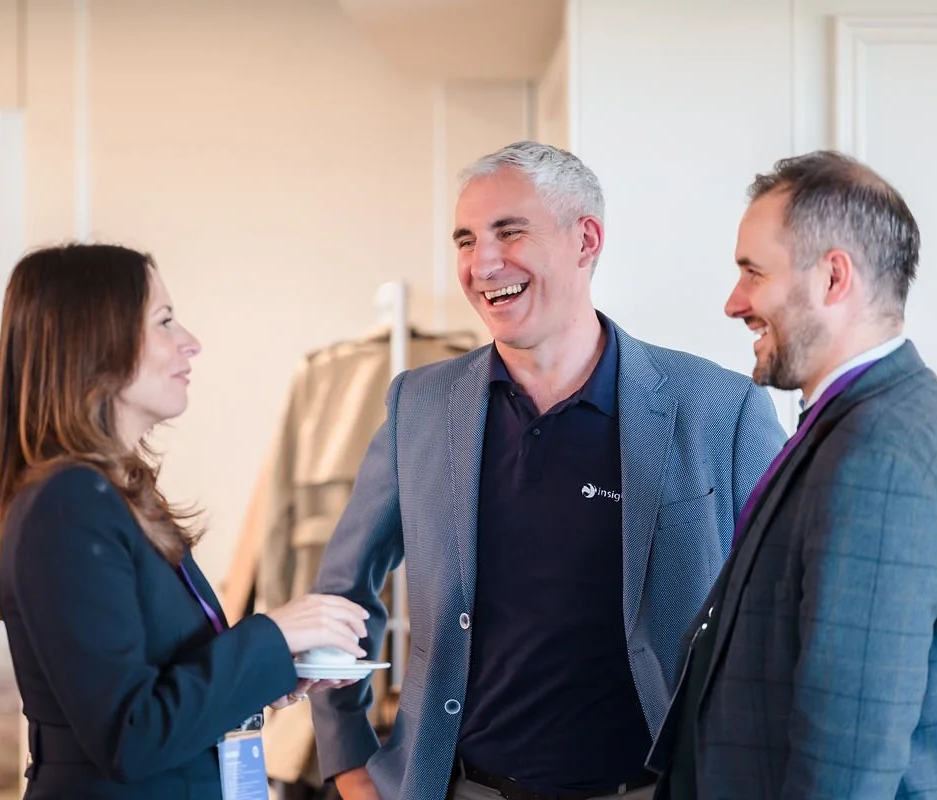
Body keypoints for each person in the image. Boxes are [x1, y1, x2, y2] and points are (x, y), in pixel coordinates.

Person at [309, 141, 787, 800]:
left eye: (510, 233)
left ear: (585, 240)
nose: (482, 264)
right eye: (466, 240)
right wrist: (347, 760)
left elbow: (785, 615)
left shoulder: (721, 410)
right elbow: (341, 597)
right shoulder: (417, 406)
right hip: (464, 790)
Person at [0, 243, 369, 798]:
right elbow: (131, 734)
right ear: (96, 342)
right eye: (165, 321)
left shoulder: (108, 494)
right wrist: (276, 631)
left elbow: (158, 685)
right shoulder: (68, 504)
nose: (190, 343)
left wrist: (273, 669)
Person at [647, 151, 937, 799]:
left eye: (753, 272)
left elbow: (846, 770)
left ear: (834, 277)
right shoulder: (879, 412)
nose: (734, 303)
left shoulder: (877, 457)